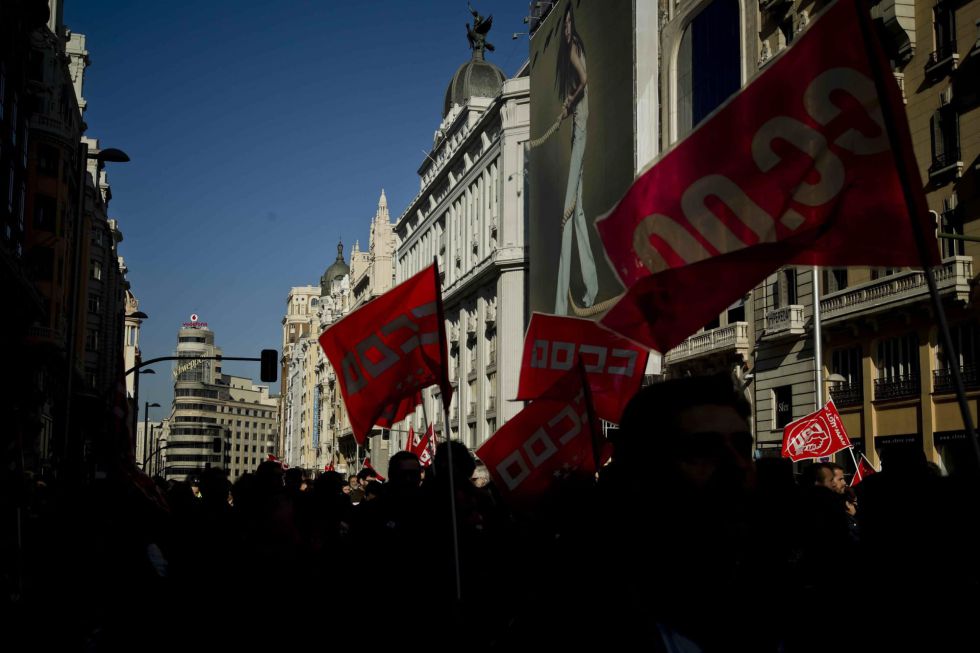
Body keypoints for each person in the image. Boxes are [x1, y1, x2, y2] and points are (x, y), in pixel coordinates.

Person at [554, 2, 598, 315]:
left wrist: (569, 100)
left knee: (567, 214)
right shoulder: (575, 47)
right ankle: (591, 287)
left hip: (580, 133)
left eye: (570, 22)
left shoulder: (572, 51)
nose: (567, 28)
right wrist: (570, 108)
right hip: (579, 131)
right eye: (564, 24)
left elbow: (584, 79)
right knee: (577, 212)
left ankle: (560, 305)